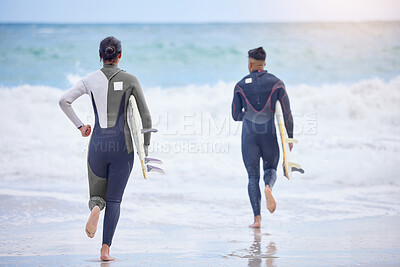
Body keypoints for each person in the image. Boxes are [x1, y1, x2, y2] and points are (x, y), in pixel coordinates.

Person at [59, 36, 152, 260]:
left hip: (98, 144)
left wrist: (81, 126)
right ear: (120, 55)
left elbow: (64, 101)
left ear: (100, 55)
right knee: (115, 200)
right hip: (123, 147)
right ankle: (105, 250)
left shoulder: (89, 80)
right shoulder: (131, 79)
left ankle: (95, 208)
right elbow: (146, 117)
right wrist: (144, 150)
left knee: (98, 197)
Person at [231, 47, 293, 228]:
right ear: (264, 63)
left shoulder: (240, 85)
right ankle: (268, 188)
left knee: (252, 177)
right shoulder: (277, 83)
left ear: (249, 64)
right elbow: (287, 114)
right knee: (271, 169)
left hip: (249, 135)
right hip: (269, 133)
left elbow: (235, 115)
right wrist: (289, 137)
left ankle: (257, 220)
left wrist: (248, 116)